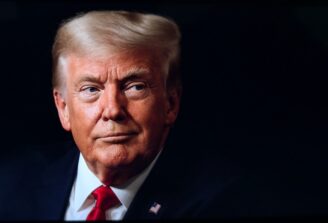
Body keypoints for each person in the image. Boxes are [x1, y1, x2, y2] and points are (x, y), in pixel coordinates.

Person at [0, 10, 244, 220]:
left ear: (170, 104)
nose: (113, 110)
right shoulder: (12, 184)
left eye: (135, 87)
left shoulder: (222, 200)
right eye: (91, 89)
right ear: (63, 108)